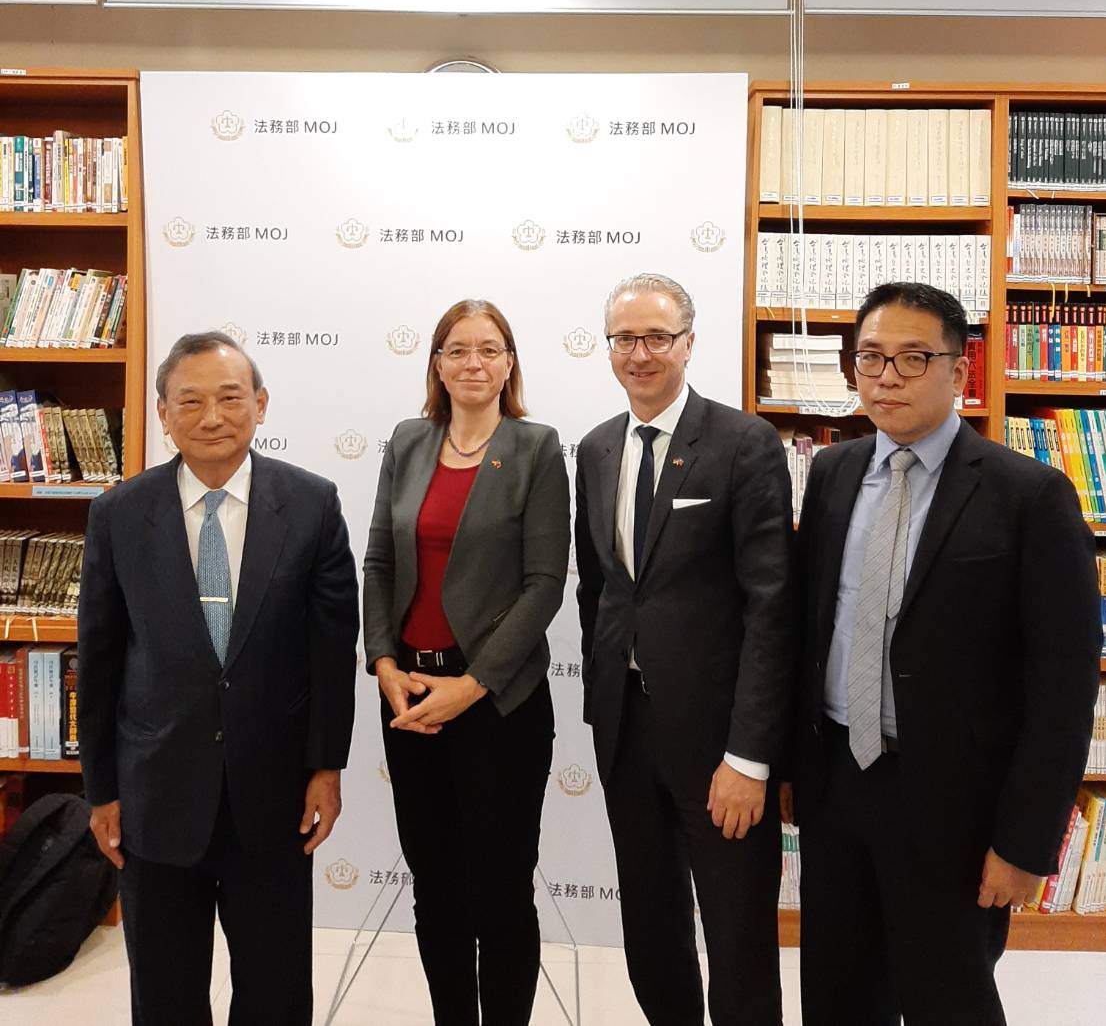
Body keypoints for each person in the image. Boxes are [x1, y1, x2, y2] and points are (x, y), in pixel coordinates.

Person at [789, 281, 1102, 1026]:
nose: (886, 376)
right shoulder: (833, 473)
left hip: (954, 805)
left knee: (947, 999)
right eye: (870, 357)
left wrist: (1025, 839)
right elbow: (810, 629)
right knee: (836, 995)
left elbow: (1063, 684)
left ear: (958, 372)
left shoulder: (1030, 494)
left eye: (911, 357)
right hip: (839, 780)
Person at [78, 330, 359, 1026]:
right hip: (156, 792)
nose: (212, 416)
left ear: (261, 405)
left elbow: (332, 649)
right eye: (191, 400)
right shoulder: (119, 513)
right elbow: (101, 655)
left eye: (231, 397)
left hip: (274, 794)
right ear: (163, 412)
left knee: (274, 987)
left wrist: (327, 766)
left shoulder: (312, 503)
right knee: (166, 992)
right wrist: (102, 787)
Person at [575, 272, 794, 1026]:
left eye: (656, 337)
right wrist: (598, 701)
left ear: (689, 342)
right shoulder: (598, 448)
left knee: (735, 937)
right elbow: (600, 588)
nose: (640, 353)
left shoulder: (743, 444)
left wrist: (750, 755)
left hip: (719, 746)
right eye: (625, 338)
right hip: (626, 729)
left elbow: (773, 606)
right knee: (650, 923)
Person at [363, 298, 570, 1026]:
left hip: (499, 704)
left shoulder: (537, 447)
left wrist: (473, 684)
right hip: (408, 695)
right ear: (437, 363)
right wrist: (383, 662)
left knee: (501, 889)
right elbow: (380, 560)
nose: (473, 362)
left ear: (509, 361)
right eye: (457, 349)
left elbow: (545, 583)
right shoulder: (408, 440)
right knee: (435, 886)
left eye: (489, 349)